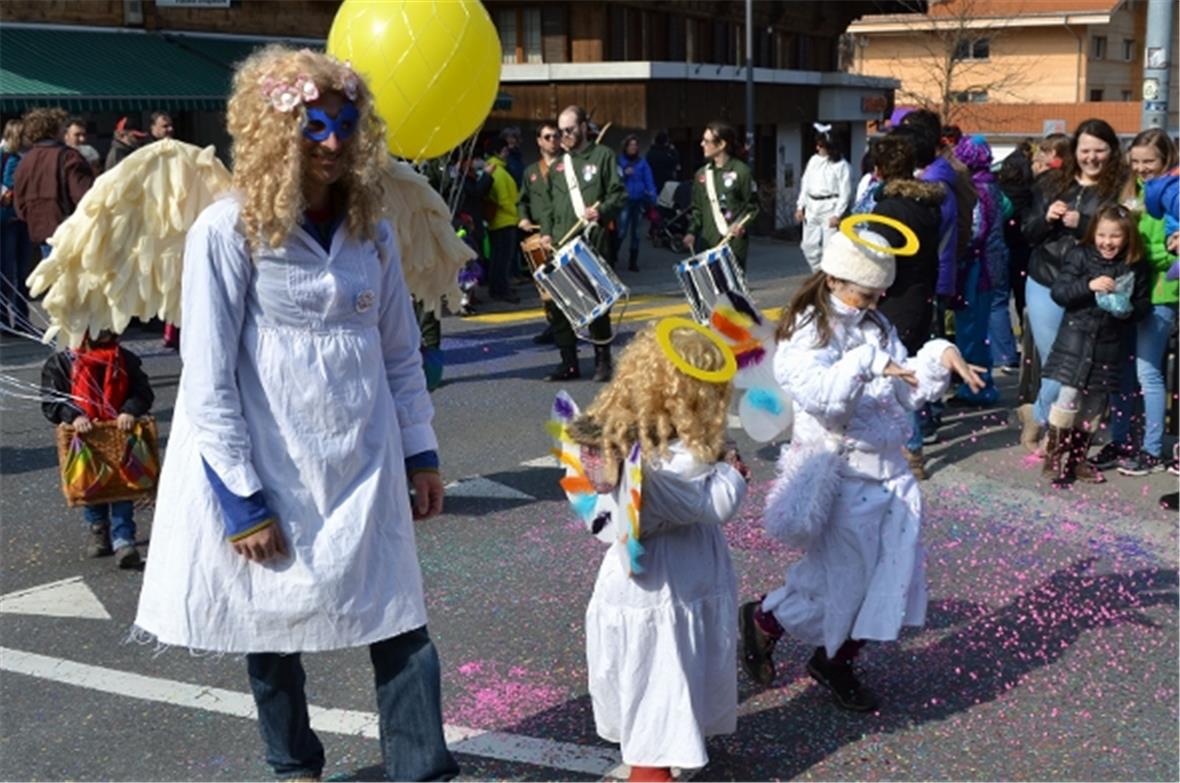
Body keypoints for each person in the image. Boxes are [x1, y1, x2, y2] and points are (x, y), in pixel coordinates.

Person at [132, 46, 458, 782]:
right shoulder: (227, 231)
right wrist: (242, 501)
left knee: (400, 619)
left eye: (345, 126)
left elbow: (400, 352)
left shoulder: (373, 230)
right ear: (275, 130)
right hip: (275, 464)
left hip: (365, 460)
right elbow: (208, 378)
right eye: (314, 126)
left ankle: (423, 771)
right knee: (270, 625)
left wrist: (421, 453)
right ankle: (295, 767)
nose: (333, 143)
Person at [739, 229, 984, 711]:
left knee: (890, 577)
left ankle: (836, 660)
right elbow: (823, 399)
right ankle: (766, 620)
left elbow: (905, 392)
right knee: (840, 581)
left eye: (879, 293)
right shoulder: (807, 331)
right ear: (834, 278)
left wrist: (939, 358)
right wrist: (867, 363)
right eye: (867, 293)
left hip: (891, 475)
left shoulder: (875, 325)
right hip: (844, 475)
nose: (877, 302)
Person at [572, 325, 748, 782]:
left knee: (658, 688)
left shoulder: (632, 447)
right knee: (660, 694)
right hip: (667, 588)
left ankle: (663, 755)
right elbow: (715, 503)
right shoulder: (677, 461)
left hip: (644, 581)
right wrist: (731, 470)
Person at [1019, 119, 1128, 458]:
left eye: (1099, 150)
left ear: (1112, 151)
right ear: (1074, 150)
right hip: (1045, 279)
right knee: (1056, 363)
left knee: (1075, 362)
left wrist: (1083, 224)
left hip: (1091, 285)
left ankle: (1039, 418)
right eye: (1085, 150)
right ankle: (1052, 428)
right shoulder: (1051, 182)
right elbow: (1027, 232)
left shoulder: (1120, 188)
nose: (1091, 157)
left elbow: (1123, 237)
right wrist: (1046, 218)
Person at [1040, 204, 1151, 486]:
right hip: (1076, 339)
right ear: (1093, 233)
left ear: (1127, 237)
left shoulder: (1135, 264)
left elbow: (1143, 304)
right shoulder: (1080, 254)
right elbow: (1060, 292)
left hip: (1109, 344)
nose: (1107, 242)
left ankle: (1078, 459)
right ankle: (1054, 456)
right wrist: (1089, 285)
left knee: (1094, 405)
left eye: (1115, 236)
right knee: (1068, 396)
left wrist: (1127, 310)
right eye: (1102, 235)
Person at [41, 330, 154, 568]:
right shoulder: (61, 362)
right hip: (84, 437)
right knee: (91, 484)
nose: (104, 332)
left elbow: (143, 392)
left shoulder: (124, 359)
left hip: (119, 435)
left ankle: (124, 539)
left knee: (123, 486)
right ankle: (98, 527)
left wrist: (129, 410)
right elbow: (51, 401)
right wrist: (73, 416)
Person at [870, 130, 946, 479]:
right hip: (921, 294)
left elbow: (878, 261)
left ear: (880, 169)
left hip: (895, 299)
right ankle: (920, 428)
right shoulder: (926, 205)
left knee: (897, 373)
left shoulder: (888, 209)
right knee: (912, 365)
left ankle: (911, 448)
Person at [1106, 130, 1178, 476]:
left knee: (1147, 372)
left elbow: (1169, 249)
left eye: (1149, 161)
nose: (1141, 168)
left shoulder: (1171, 194)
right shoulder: (1131, 190)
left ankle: (1151, 449)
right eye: (1135, 161)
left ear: (1167, 159)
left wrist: (1141, 251)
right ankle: (1121, 439)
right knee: (1122, 369)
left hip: (1160, 292)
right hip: (1128, 292)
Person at [538, 104, 625, 382]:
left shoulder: (603, 156)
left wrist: (601, 212)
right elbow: (548, 207)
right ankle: (569, 363)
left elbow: (618, 194)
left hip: (592, 241)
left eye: (570, 129)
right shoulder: (558, 166)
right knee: (559, 306)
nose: (564, 135)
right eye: (561, 131)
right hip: (561, 243)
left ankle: (603, 360)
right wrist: (546, 233)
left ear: (584, 127)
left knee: (596, 302)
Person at [949, 134, 1006, 405]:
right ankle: (977, 384)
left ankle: (978, 388)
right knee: (976, 327)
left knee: (972, 328)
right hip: (990, 264)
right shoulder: (991, 185)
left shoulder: (977, 189)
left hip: (977, 267)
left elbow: (975, 231)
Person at [12, 107, 94, 258]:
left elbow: (19, 204)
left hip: (40, 231)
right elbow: (85, 197)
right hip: (68, 231)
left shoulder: (25, 161)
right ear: (55, 129)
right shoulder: (69, 157)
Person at [683, 121, 758, 270]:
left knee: (731, 284)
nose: (702, 144)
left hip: (733, 245)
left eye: (707, 141)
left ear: (722, 144)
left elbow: (753, 207)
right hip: (707, 245)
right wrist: (691, 232)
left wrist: (741, 225)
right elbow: (697, 209)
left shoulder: (742, 172)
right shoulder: (701, 175)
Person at [518, 119, 560, 345]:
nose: (552, 141)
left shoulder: (568, 165)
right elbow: (522, 200)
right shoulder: (531, 172)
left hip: (562, 232)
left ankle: (572, 325)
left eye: (556, 136)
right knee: (545, 286)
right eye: (547, 137)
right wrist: (523, 217)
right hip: (539, 232)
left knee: (567, 281)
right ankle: (554, 325)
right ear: (539, 141)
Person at [796, 124, 853, 271]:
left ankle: (828, 274)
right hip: (811, 206)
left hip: (830, 208)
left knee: (829, 246)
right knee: (808, 245)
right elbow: (805, 184)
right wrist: (800, 206)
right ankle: (818, 271)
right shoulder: (813, 160)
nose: (817, 148)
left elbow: (845, 192)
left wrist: (837, 214)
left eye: (820, 145)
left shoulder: (842, 165)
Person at [1, 119, 32, 334]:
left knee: (22, 272)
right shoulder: (7, 157)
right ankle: (4, 319)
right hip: (7, 220)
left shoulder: (25, 156)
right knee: (7, 271)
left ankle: (21, 318)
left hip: (22, 219)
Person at [483, 132, 520, 303]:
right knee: (503, 259)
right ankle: (501, 289)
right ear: (498, 152)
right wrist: (518, 215)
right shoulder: (498, 171)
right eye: (505, 150)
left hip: (501, 220)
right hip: (504, 221)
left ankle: (498, 288)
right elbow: (504, 200)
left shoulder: (496, 169)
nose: (507, 153)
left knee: (499, 258)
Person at [616, 134, 656, 272]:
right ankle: (613, 255)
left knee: (636, 233)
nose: (633, 148)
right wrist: (624, 174)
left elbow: (649, 179)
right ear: (626, 147)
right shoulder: (620, 161)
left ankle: (633, 262)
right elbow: (615, 180)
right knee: (622, 231)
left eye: (635, 145)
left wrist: (653, 196)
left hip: (639, 200)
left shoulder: (642, 162)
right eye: (631, 145)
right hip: (625, 201)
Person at [645, 130, 680, 195]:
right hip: (667, 183)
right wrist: (673, 150)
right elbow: (675, 160)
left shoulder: (650, 153)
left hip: (653, 182)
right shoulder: (667, 153)